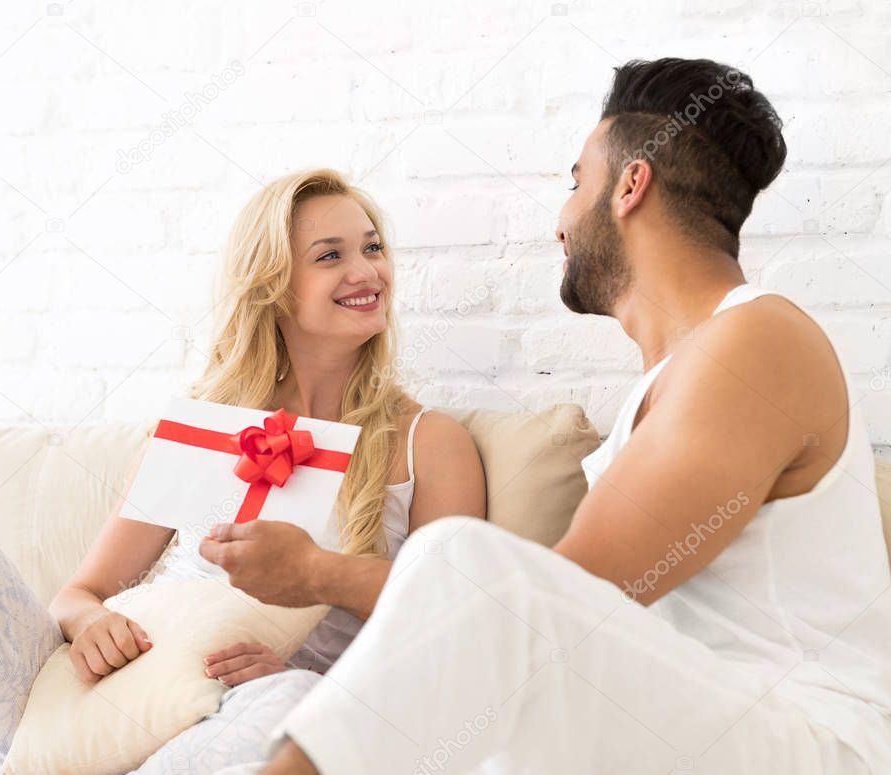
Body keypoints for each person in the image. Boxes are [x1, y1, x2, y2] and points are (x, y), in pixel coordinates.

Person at [260, 58, 891, 775]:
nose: (563, 219)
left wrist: (319, 573)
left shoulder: (756, 340)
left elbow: (569, 595)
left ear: (629, 187)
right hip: (687, 724)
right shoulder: (669, 384)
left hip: (809, 740)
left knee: (458, 558)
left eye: (575, 183)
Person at [0, 168, 486, 774]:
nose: (367, 271)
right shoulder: (200, 430)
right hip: (85, 709)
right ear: (272, 286)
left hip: (242, 715)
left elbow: (460, 619)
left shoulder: (427, 443)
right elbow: (79, 594)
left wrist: (315, 673)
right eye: (330, 256)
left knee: (292, 707)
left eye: (373, 247)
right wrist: (93, 624)